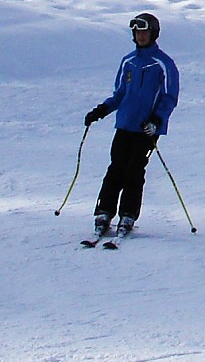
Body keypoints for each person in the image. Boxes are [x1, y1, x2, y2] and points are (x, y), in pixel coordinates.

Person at [83, 12, 179, 242]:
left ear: (153, 34)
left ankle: (128, 214)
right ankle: (104, 211)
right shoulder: (129, 61)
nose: (141, 36)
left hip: (146, 129)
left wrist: (157, 120)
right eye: (137, 32)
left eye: (145, 32)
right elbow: (120, 95)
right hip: (125, 125)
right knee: (115, 168)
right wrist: (101, 111)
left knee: (135, 171)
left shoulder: (163, 64)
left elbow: (169, 97)